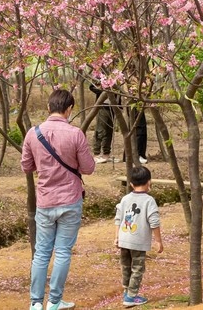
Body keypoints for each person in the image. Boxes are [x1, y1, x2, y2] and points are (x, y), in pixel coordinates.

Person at [22, 89, 97, 310]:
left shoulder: (32, 133)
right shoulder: (76, 134)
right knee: (63, 251)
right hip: (70, 200)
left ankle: (36, 303)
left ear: (48, 108)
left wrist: (43, 167)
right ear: (69, 109)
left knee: (42, 253)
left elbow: (26, 166)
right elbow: (89, 168)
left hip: (45, 200)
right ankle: (54, 302)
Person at [114, 165, 163, 308]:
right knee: (137, 268)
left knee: (125, 266)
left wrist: (116, 237)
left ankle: (126, 291)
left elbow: (118, 218)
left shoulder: (125, 199)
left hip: (123, 240)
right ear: (149, 182)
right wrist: (158, 241)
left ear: (131, 184)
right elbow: (154, 222)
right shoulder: (149, 201)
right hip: (138, 242)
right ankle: (131, 296)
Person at [89, 82, 116, 164]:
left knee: (109, 130)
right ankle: (96, 153)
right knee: (101, 129)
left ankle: (106, 153)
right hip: (102, 106)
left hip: (113, 106)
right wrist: (103, 91)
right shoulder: (100, 75)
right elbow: (92, 87)